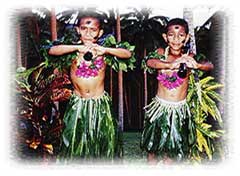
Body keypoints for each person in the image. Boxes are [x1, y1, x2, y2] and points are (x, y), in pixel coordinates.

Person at [48, 14, 132, 161]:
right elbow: (52, 50)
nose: (88, 33)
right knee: (74, 144)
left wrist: (105, 50)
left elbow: (127, 53)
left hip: (100, 105)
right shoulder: (72, 51)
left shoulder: (103, 52)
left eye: (93, 30)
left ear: (99, 33)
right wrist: (77, 47)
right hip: (77, 104)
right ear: (78, 30)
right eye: (84, 28)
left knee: (102, 144)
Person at [140, 18, 214, 164]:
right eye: (171, 35)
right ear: (165, 37)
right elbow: (150, 62)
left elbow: (209, 65)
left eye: (180, 35)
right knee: (152, 149)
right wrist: (171, 64)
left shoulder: (190, 56)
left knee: (172, 150)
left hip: (179, 110)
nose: (176, 39)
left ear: (186, 38)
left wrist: (196, 65)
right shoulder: (161, 52)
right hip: (159, 109)